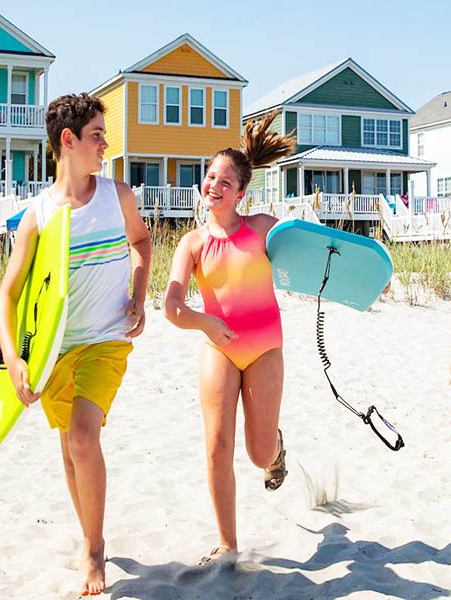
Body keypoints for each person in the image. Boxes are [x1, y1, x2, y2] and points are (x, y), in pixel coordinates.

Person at [0, 93, 151, 594]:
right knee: (69, 450)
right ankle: (89, 534)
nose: (106, 144)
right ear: (69, 140)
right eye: (98, 136)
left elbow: (142, 243)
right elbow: (8, 294)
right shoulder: (37, 215)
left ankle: (95, 550)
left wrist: (139, 293)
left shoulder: (117, 196)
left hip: (107, 340)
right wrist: (16, 359)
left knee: (83, 436)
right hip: (56, 351)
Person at [163, 111, 295, 565]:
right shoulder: (192, 244)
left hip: (264, 350)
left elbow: (314, 253)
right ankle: (227, 543)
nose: (214, 185)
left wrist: (364, 276)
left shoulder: (262, 228)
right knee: (218, 444)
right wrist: (205, 323)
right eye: (209, 177)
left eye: (225, 181)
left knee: (258, 455)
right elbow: (172, 306)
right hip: (217, 348)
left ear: (241, 192)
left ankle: (276, 448)